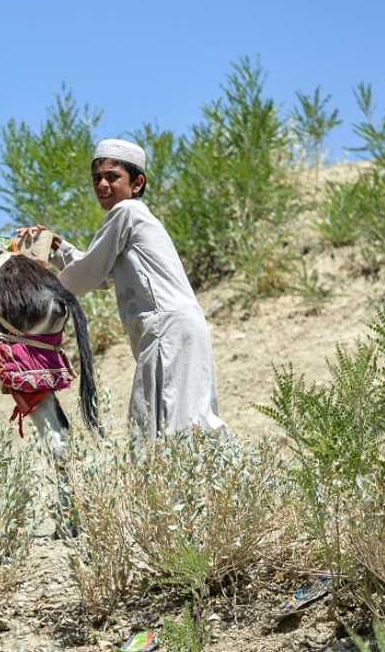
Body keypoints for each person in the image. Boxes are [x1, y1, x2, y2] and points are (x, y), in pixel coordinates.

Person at [18, 138, 234, 444]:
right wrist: (58, 247)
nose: (102, 185)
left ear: (137, 183)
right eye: (97, 179)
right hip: (174, 329)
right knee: (180, 423)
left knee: (167, 429)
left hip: (166, 330)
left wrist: (38, 283)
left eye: (112, 177)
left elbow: (86, 276)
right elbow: (102, 273)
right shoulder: (133, 218)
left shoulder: (128, 212)